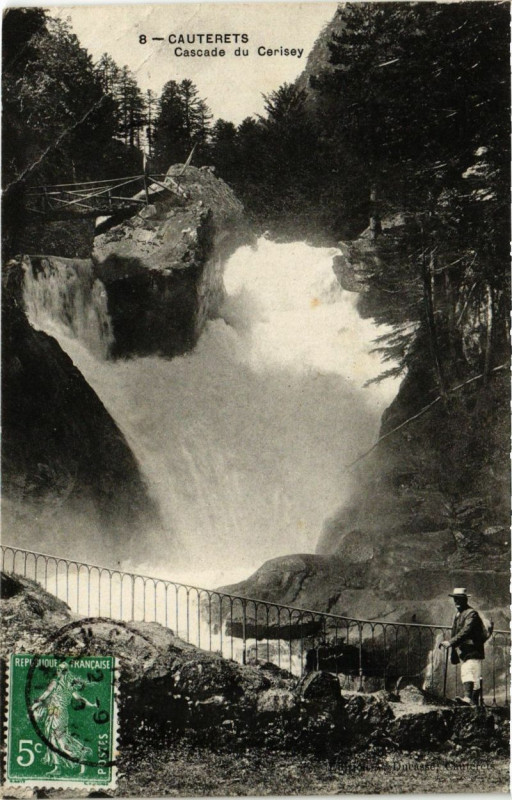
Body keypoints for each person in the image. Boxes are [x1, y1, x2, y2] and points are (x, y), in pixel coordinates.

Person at [32, 662, 95, 775]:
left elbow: (45, 695)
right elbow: (80, 698)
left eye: (61, 670)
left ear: (64, 671)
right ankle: (58, 767)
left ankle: (80, 756)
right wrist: (92, 704)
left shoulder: (56, 682)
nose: (58, 671)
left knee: (59, 740)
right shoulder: (69, 685)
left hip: (58, 714)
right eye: (58, 669)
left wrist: (34, 704)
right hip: (54, 713)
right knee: (52, 740)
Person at [439, 588, 489, 706]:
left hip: (473, 648)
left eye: (459, 599)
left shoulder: (471, 614)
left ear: (465, 600)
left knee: (467, 671)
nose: (456, 602)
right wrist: (453, 651)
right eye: (455, 599)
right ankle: (474, 702)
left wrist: (450, 643)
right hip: (465, 650)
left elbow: (466, 631)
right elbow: (455, 632)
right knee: (474, 676)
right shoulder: (458, 615)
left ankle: (467, 698)